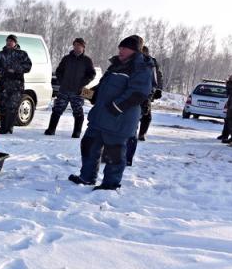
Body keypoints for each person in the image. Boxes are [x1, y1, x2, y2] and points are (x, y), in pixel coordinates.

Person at [68, 35, 152, 190]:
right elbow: (102, 87)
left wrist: (115, 107)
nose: (120, 50)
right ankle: (86, 177)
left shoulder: (141, 68)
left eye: (124, 48)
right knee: (88, 145)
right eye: (119, 47)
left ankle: (110, 184)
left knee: (114, 154)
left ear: (134, 50)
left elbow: (138, 93)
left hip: (119, 120)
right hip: (100, 117)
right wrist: (86, 93)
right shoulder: (116, 65)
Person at [45, 38, 96, 137]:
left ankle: (77, 132)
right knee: (57, 110)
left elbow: (92, 74)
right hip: (64, 89)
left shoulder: (87, 60)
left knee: (78, 111)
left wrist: (82, 83)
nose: (77, 47)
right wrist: (62, 81)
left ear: (83, 47)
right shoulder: (66, 58)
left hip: (78, 91)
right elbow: (59, 71)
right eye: (75, 45)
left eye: (79, 45)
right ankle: (51, 130)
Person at [125, 45, 164, 165]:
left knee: (134, 128)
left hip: (142, 99)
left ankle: (128, 157)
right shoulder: (130, 63)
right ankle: (118, 156)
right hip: (130, 98)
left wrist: (155, 93)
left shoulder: (151, 65)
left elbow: (155, 81)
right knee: (126, 128)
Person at [0, 34, 32, 134]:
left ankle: (9, 128)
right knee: (2, 106)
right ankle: (3, 127)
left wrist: (15, 70)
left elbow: (28, 66)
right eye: (8, 41)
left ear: (15, 43)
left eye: (11, 41)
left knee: (13, 107)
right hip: (3, 84)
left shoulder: (22, 54)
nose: (9, 42)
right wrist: (4, 72)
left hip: (16, 85)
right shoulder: (0, 54)